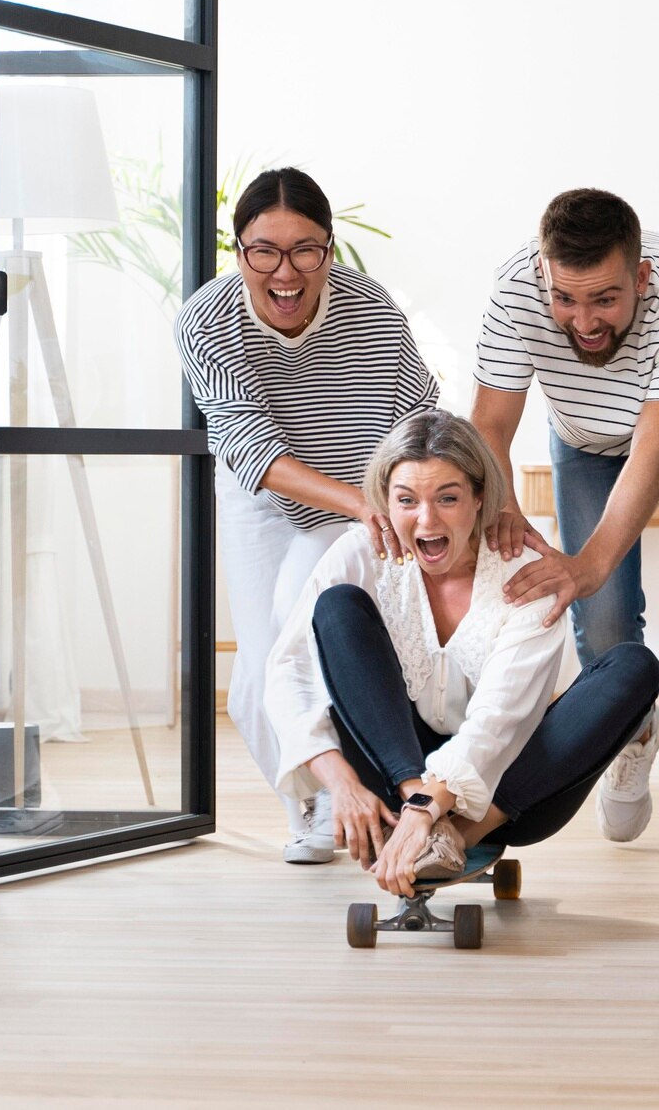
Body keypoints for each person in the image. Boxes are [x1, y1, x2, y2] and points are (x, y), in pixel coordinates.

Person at [471, 188, 659, 884]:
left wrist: (585, 564)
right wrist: (501, 503)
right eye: (567, 299)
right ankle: (635, 726)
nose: (583, 320)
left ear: (642, 279)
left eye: (604, 299)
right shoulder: (515, 291)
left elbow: (654, 454)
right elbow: (489, 428)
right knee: (595, 614)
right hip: (583, 434)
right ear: (544, 275)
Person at [263, 410, 659, 894]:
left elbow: (500, 718)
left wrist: (435, 815)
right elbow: (291, 669)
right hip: (394, 774)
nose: (426, 519)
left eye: (447, 498)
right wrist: (347, 786)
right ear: (385, 501)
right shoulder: (360, 553)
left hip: (507, 794)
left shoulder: (524, 570)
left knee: (633, 666)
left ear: (479, 499)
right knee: (338, 607)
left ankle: (456, 837)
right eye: (406, 500)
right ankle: (422, 819)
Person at [175, 167, 439, 864]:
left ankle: (340, 800)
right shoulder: (205, 319)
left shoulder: (371, 309)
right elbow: (252, 448)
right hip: (261, 489)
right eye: (265, 250)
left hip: (357, 489)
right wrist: (359, 501)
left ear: (330, 248)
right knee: (259, 673)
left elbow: (419, 414)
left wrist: (406, 501)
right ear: (238, 252)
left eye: (305, 250)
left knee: (303, 618)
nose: (285, 271)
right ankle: (317, 802)